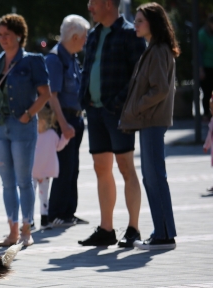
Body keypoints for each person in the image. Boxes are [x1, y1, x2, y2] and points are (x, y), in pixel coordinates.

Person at [78, 0, 146, 248]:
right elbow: (87, 69)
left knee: (126, 167)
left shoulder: (130, 33)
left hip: (117, 113)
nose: (89, 7)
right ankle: (107, 229)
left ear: (108, 3)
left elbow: (139, 75)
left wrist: (117, 103)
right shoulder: (94, 34)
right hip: (95, 112)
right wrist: (83, 98)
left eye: (93, 2)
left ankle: (133, 229)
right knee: (100, 168)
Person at [0, 13, 51, 247]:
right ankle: (12, 231)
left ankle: (26, 229)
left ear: (19, 36)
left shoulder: (32, 60)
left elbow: (45, 94)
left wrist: (28, 114)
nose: (3, 38)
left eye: (7, 34)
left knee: (24, 180)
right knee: (7, 182)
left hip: (22, 126)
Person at [119, 2, 179, 251]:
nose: (136, 24)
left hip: (152, 121)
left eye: (140, 20)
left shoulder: (158, 50)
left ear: (153, 23)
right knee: (151, 177)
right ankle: (162, 232)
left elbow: (160, 89)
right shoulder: (153, 48)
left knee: (155, 177)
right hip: (149, 122)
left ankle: (164, 235)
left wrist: (135, 108)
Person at [45, 15, 90, 228]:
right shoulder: (55, 59)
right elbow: (52, 95)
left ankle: (68, 212)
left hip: (76, 119)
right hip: (64, 120)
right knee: (63, 168)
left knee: (73, 168)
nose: (85, 40)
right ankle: (56, 213)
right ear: (73, 36)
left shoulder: (72, 57)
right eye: (83, 37)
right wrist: (63, 124)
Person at [33, 106, 70, 229]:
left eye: (37, 120)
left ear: (43, 122)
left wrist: (66, 137)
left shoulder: (51, 134)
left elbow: (58, 146)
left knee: (44, 197)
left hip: (44, 172)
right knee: (30, 196)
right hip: (32, 172)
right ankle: (29, 221)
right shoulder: (32, 133)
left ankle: (44, 220)